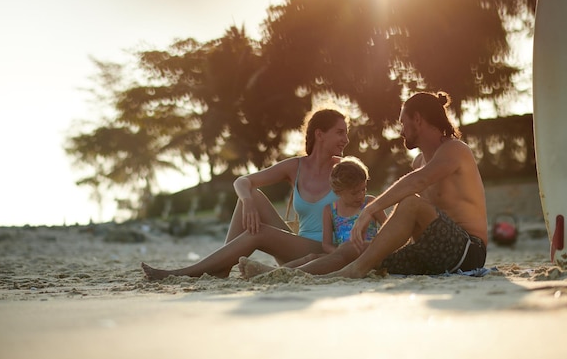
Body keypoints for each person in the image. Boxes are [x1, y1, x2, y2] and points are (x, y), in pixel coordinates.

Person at [238, 91, 487, 279]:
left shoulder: (455, 150)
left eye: (403, 122)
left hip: (467, 252)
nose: (400, 130)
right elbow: (412, 224)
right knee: (351, 248)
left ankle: (355, 270)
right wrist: (375, 246)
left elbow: (418, 182)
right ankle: (278, 274)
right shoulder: (418, 160)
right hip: (429, 252)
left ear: (418, 120)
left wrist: (369, 210)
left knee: (410, 201)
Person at [141, 108, 349, 280]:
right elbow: (243, 181)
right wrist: (247, 200)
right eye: (340, 132)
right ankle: (222, 266)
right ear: (320, 134)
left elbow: (362, 203)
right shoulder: (295, 166)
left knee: (259, 232)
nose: (346, 139)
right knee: (252, 195)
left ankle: (182, 273)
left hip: (322, 252)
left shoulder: (345, 169)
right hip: (294, 249)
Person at [244, 156, 386, 274]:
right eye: (355, 192)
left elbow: (389, 227)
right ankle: (277, 272)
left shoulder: (370, 203)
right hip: (342, 254)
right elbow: (326, 244)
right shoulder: (330, 210)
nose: (361, 195)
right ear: (338, 192)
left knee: (337, 256)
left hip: (369, 253)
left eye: (363, 189)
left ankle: (280, 272)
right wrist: (337, 252)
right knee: (313, 257)